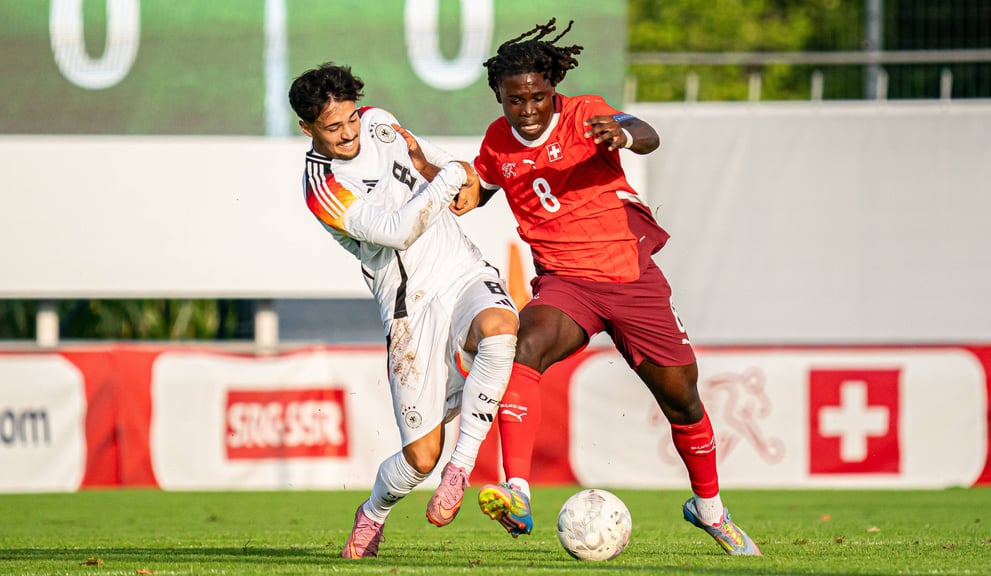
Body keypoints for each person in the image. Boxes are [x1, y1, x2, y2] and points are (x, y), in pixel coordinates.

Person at [463, 19, 761, 556]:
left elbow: (644, 133)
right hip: (566, 285)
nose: (527, 109)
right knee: (520, 348)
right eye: (514, 100)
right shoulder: (496, 141)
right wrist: (432, 180)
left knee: (683, 402)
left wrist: (622, 135)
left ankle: (710, 509)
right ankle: (518, 491)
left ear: (553, 89)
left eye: (537, 97)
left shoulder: (585, 113)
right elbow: (476, 190)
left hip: (630, 279)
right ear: (499, 97)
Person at [288, 63, 519, 559]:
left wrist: (459, 176)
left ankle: (462, 468)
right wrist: (449, 180)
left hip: (462, 270)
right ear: (307, 129)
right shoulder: (322, 187)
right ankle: (373, 512)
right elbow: (397, 232)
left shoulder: (379, 121)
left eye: (351, 118)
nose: (349, 133)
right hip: (408, 306)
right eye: (333, 127)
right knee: (419, 458)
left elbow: (440, 164)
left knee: (501, 330)